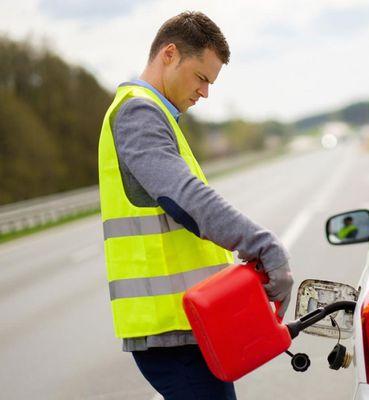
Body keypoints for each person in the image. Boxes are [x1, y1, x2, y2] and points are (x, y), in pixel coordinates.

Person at [97, 11, 293, 400]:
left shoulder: (155, 114)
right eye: (202, 78)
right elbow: (184, 197)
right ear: (169, 54)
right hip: (171, 333)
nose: (205, 92)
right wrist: (261, 243)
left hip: (189, 326)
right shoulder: (138, 112)